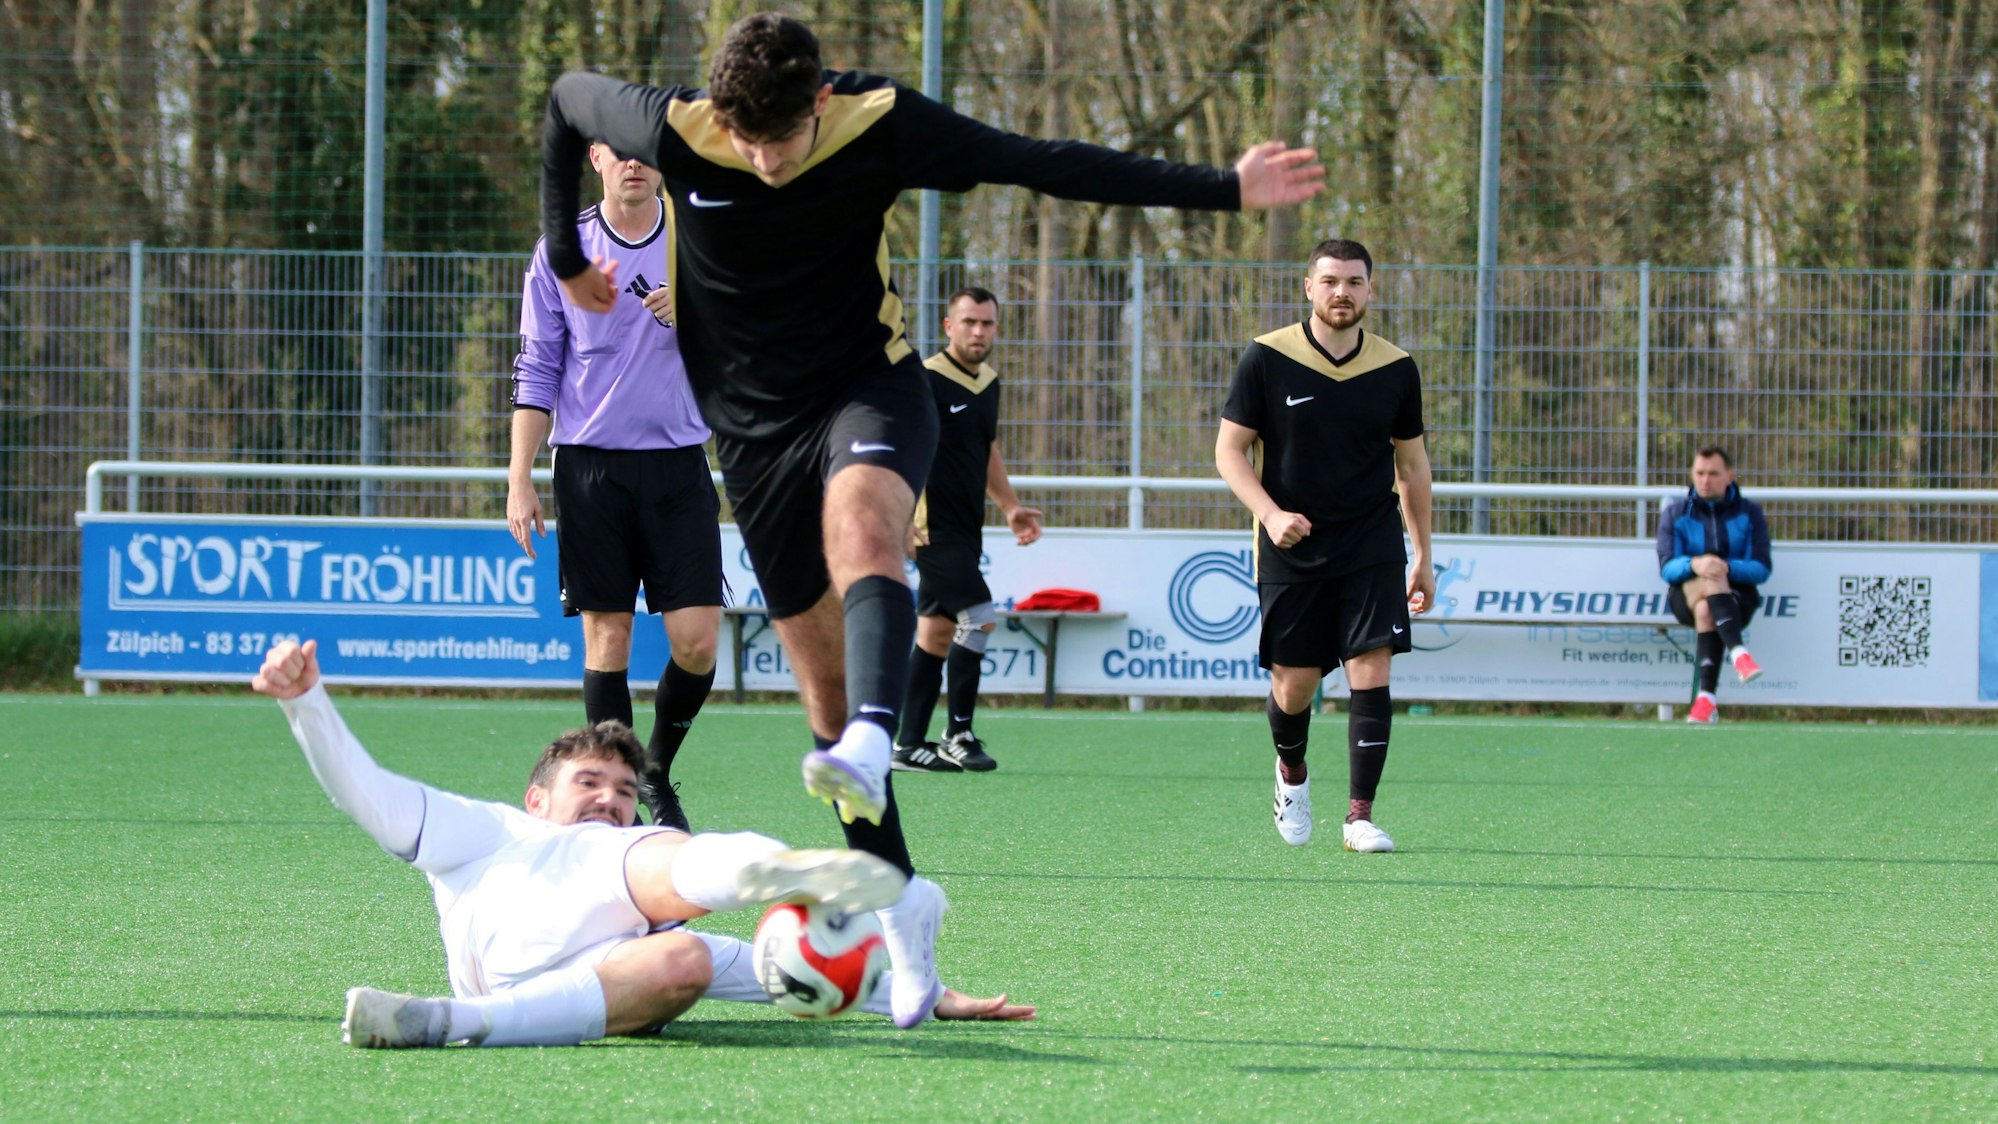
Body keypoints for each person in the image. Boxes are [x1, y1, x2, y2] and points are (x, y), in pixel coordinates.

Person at [535, 12, 1322, 1025]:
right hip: (752, 436)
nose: (766, 162)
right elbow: (565, 101)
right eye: (747, 142)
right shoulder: (679, 125)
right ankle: (907, 917)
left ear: (821, 100)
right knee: (823, 700)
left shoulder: (879, 122)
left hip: (867, 389)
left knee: (863, 530)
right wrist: (567, 252)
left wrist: (1224, 187)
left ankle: (878, 734)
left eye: (784, 139)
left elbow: (1041, 162)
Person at [250, 639, 1033, 1048]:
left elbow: (765, 969)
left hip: (589, 982)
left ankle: (451, 1024)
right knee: (647, 859)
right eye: (589, 782)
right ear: (537, 797)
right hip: (535, 922)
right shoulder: (489, 829)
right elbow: (369, 793)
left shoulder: (640, 894)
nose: (609, 799)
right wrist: (306, 703)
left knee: (688, 956)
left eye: (625, 790)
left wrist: (918, 989)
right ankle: (790, 870)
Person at [508, 141, 720, 834]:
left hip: (678, 463)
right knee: (609, 638)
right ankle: (621, 801)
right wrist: (519, 477)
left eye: (646, 153)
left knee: (697, 642)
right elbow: (538, 365)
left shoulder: (701, 239)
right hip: (590, 468)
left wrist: (698, 310)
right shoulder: (561, 250)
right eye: (619, 152)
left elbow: (757, 336)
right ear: (596, 157)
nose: (634, 165)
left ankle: (653, 768)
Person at [1214, 237, 1433, 853]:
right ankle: (1291, 771)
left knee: (1372, 669)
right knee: (1295, 686)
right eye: (1331, 281)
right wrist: (1269, 514)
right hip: (1293, 546)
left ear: (1371, 290)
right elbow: (1229, 451)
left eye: (1355, 282)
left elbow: (1413, 467)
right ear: (1309, 287)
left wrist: (1423, 554)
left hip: (1372, 542)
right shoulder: (1266, 357)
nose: (1343, 292)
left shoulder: (1397, 367)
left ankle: (1360, 816)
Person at [894, 287, 1042, 774]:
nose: (978, 331)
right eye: (969, 322)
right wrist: (898, 517)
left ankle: (908, 745)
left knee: (937, 633)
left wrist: (1010, 506)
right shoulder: (924, 379)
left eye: (987, 323)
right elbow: (895, 446)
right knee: (979, 619)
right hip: (930, 530)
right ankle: (958, 733)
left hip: (967, 529)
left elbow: (986, 449)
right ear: (948, 326)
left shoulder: (989, 382)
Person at [1656, 445, 1771, 723]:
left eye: (1713, 473)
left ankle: (1705, 701)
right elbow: (1667, 568)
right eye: (1699, 473)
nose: (1705, 480)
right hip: (1685, 595)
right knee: (1708, 575)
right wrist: (1696, 564)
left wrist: (1726, 567)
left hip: (1737, 597)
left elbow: (1761, 568)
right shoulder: (1675, 513)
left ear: (1729, 475)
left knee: (1707, 606)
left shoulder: (1749, 514)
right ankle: (1738, 653)